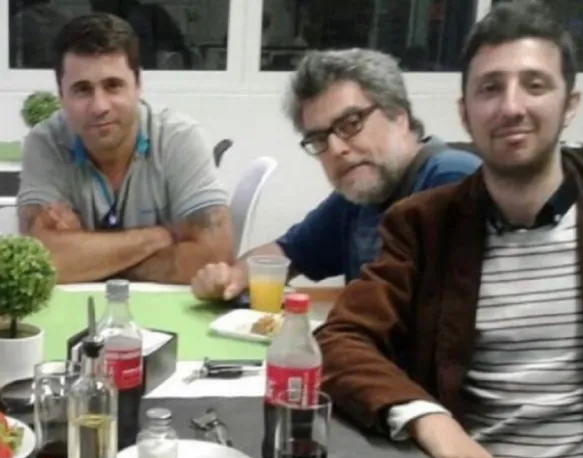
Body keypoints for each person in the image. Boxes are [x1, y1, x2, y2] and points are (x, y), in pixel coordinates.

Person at [315, 3, 583, 458]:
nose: (511, 106)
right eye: (490, 88)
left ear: (570, 104)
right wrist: (430, 419)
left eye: (535, 85)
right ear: (465, 111)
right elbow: (342, 338)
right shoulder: (426, 224)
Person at [190, 48, 481, 303]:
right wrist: (229, 278)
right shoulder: (360, 196)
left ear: (399, 116)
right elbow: (284, 252)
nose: (335, 149)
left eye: (351, 124)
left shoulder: (452, 181)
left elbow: (442, 326)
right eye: (319, 138)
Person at [17, 13, 233, 284]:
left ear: (138, 85)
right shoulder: (46, 142)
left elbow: (214, 257)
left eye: (113, 86)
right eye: (82, 90)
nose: (99, 107)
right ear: (61, 95)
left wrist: (85, 257)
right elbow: (36, 260)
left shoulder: (179, 138)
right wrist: (157, 237)